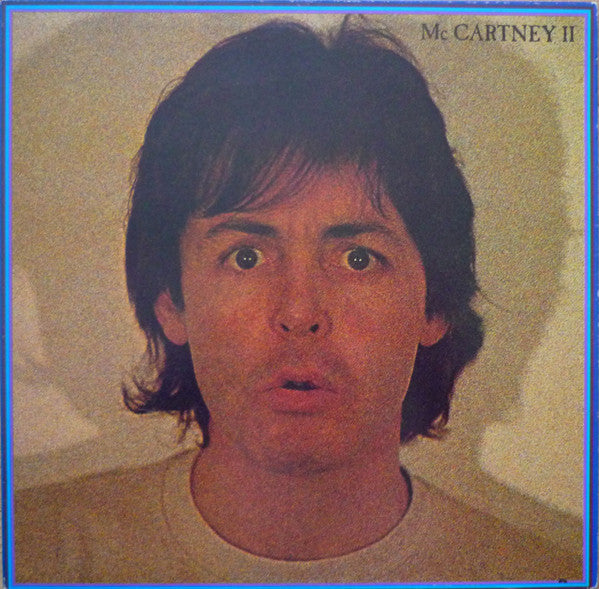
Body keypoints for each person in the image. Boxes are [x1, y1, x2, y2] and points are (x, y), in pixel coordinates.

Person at [15, 18, 582, 583]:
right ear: (172, 302)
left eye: (357, 258)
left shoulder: (549, 574)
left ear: (434, 303)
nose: (299, 314)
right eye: (246, 257)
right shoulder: (26, 556)